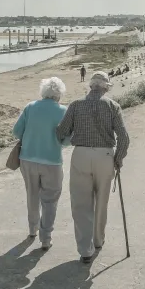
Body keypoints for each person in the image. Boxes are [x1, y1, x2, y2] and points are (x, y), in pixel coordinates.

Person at [56, 72, 130, 264]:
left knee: (81, 204)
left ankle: (85, 249)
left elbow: (61, 131)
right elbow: (124, 137)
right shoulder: (113, 106)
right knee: (101, 201)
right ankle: (98, 240)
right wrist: (118, 159)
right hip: (105, 156)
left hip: (81, 154)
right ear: (105, 87)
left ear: (91, 86)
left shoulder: (75, 105)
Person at [12, 77, 69, 251]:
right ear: (59, 94)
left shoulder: (30, 107)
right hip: (52, 161)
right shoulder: (63, 111)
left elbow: (16, 131)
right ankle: (46, 238)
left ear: (43, 91)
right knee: (50, 200)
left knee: (32, 195)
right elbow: (67, 140)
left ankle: (32, 228)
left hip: (27, 159)